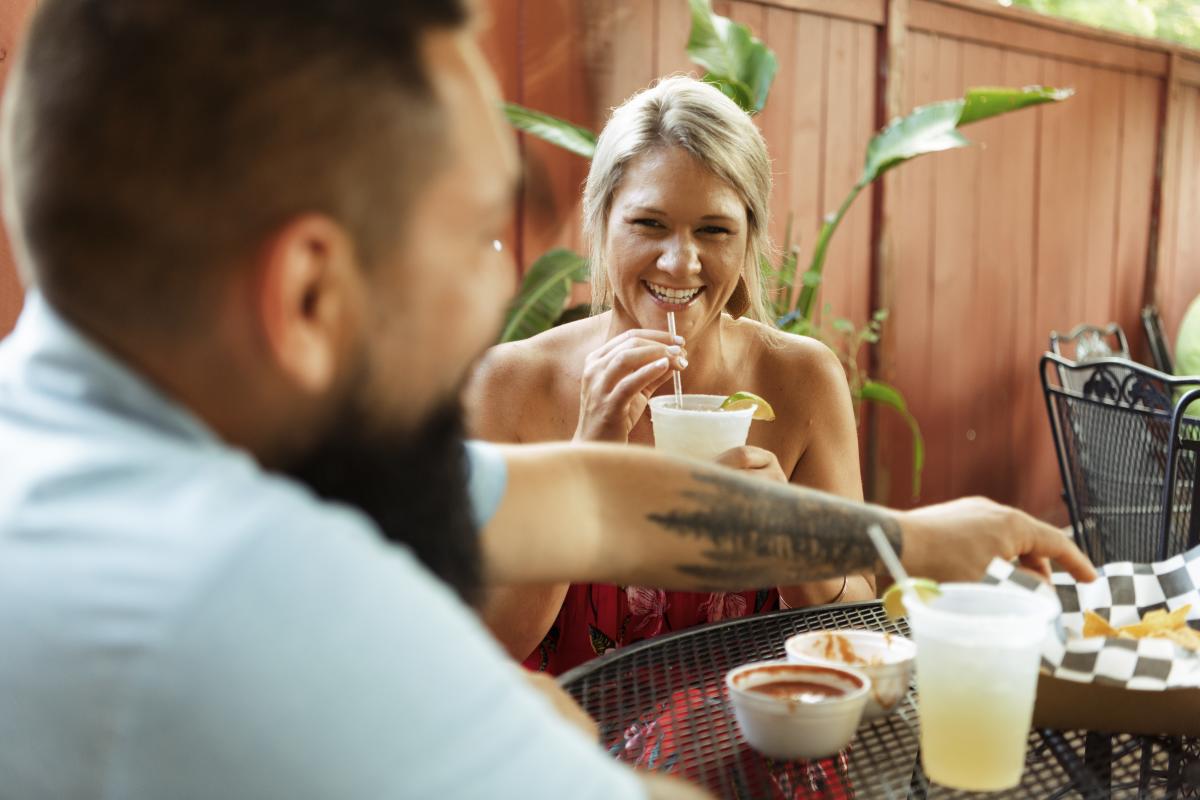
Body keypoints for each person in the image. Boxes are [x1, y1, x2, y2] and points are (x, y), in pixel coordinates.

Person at [0, 1, 1094, 798]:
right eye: (478, 231)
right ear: (308, 292)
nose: (502, 276)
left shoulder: (126, 428)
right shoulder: (245, 600)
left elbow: (585, 502)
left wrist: (901, 534)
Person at [469, 76, 874, 673]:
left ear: (748, 241)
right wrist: (586, 468)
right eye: (649, 224)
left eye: (714, 230)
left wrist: (790, 548)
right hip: (568, 750)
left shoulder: (802, 379)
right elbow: (477, 650)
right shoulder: (509, 383)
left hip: (754, 744)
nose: (679, 261)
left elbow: (858, 627)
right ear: (602, 222)